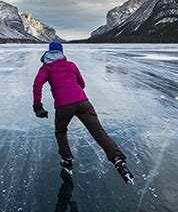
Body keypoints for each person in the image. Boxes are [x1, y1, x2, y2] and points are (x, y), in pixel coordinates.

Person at [32, 40, 134, 184]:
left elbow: (37, 84)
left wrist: (38, 106)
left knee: (60, 132)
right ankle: (118, 160)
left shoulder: (46, 68)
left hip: (63, 106)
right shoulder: (71, 65)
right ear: (61, 52)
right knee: (99, 132)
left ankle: (67, 159)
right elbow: (82, 84)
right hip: (83, 103)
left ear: (49, 52)